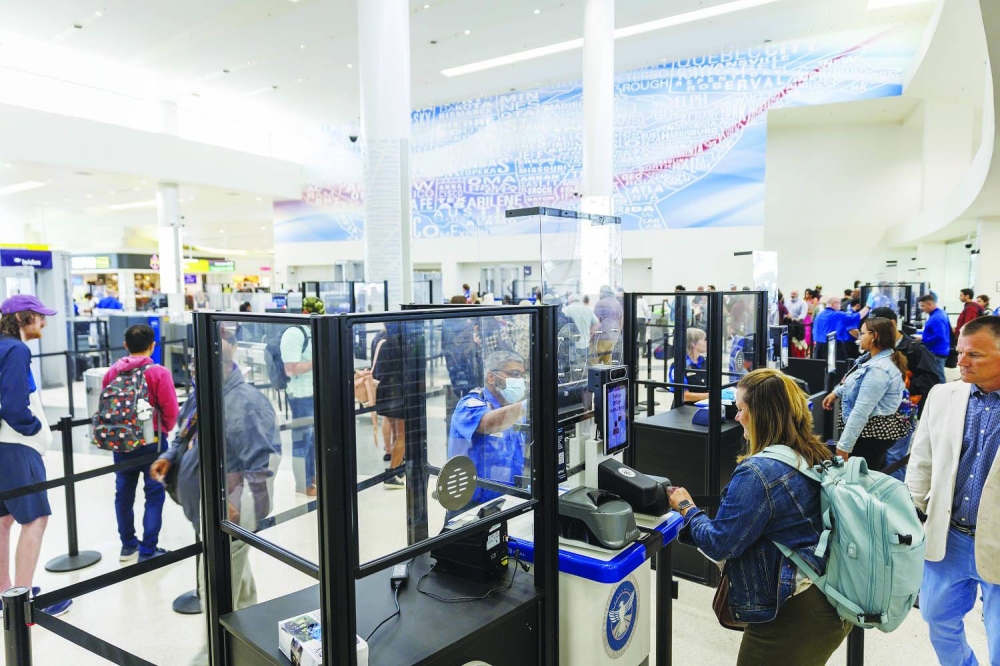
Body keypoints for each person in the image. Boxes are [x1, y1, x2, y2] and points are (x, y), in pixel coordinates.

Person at [667, 369, 849, 665]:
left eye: (741, 409)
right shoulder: (815, 452)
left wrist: (687, 508)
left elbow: (720, 543)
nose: (737, 417)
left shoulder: (758, 473)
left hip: (793, 611)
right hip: (827, 598)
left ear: (761, 415)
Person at [151, 328, 279, 665]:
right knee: (238, 574)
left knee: (217, 582)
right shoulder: (203, 393)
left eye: (217, 355)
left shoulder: (247, 401)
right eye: (198, 359)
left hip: (229, 511)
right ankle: (250, 628)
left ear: (233, 352)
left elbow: (263, 462)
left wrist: (239, 506)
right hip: (206, 506)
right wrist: (170, 456)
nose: (202, 364)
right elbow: (183, 431)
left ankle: (216, 653)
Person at [905, 316, 1000, 666]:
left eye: (974, 355)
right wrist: (910, 511)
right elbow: (922, 460)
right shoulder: (943, 395)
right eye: (960, 352)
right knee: (937, 619)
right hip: (950, 538)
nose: (959, 361)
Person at [0, 296, 72, 616]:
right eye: (40, 317)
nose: (44, 323)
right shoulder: (17, 350)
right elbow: (16, 406)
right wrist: (32, 429)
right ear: (22, 318)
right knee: (35, 519)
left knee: (3, 521)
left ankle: (6, 595)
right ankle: (24, 600)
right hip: (17, 448)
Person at [101, 324, 179, 563]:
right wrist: (161, 431)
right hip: (151, 443)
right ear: (152, 346)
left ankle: (128, 546)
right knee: (154, 494)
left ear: (125, 345)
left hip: (121, 443)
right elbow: (171, 410)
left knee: (123, 493)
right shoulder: (159, 373)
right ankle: (148, 549)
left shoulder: (112, 372)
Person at [447, 350, 528, 515]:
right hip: (471, 507)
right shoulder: (470, 405)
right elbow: (487, 423)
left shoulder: (514, 409)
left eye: (522, 376)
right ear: (491, 377)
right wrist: (528, 406)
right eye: (514, 374)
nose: (520, 381)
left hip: (509, 500)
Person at [867, 307, 943, 480]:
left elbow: (932, 379)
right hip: (876, 413)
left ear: (891, 324)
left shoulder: (915, 349)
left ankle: (894, 498)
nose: (871, 335)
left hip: (902, 413)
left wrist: (902, 387)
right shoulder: (875, 349)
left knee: (895, 458)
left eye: (874, 329)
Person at [822, 317, 906, 470]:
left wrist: (844, 446)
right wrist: (837, 392)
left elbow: (861, 410)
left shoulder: (878, 370)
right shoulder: (872, 359)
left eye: (862, 334)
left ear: (874, 336)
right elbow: (858, 385)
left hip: (869, 436)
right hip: (870, 433)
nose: (858, 338)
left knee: (860, 481)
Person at [282, 300, 319, 496]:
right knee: (302, 440)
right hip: (299, 395)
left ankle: (311, 478)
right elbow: (290, 368)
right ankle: (301, 484)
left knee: (312, 440)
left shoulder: (310, 331)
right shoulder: (294, 334)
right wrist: (318, 361)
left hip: (313, 393)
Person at [373, 322, 406, 488]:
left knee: (394, 428)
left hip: (383, 390)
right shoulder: (399, 342)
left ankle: (395, 461)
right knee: (403, 434)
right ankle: (392, 472)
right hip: (398, 391)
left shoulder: (379, 339)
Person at [668, 328, 709, 404]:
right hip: (685, 411)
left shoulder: (705, 361)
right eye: (704, 340)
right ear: (694, 344)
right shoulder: (678, 366)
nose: (706, 342)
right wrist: (711, 395)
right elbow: (684, 396)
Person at [916, 294, 951, 382]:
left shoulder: (936, 318)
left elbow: (940, 336)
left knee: (938, 375)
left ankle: (943, 394)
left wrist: (923, 340)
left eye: (923, 306)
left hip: (937, 352)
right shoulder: (940, 313)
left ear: (929, 304)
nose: (922, 309)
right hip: (941, 349)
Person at [593, 286, 624, 364]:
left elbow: (596, 321)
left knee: (597, 360)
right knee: (611, 359)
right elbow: (621, 318)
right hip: (615, 336)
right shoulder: (617, 303)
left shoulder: (600, 303)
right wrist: (618, 331)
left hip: (603, 336)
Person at [811, 296, 844, 360]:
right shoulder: (837, 314)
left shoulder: (819, 314)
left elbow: (813, 321)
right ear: (833, 304)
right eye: (839, 303)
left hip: (819, 342)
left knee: (819, 363)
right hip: (831, 342)